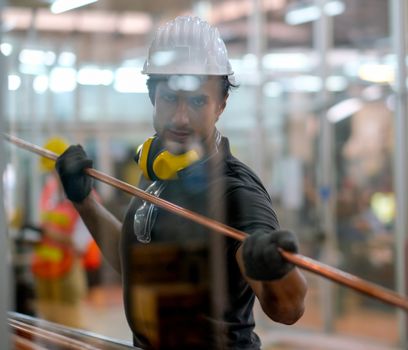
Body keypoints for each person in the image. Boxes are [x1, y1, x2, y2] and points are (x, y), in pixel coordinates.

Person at [54, 16, 307, 349]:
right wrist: (84, 201)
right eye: (170, 98)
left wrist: (276, 271)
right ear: (153, 98)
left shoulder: (236, 191)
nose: (180, 118)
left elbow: (288, 310)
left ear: (221, 105)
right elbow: (135, 263)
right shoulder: (161, 168)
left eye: (198, 101)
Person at [31, 137, 101, 328]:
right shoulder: (49, 190)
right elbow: (43, 222)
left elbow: (80, 243)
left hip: (67, 270)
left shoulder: (84, 196)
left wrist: (51, 235)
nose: (52, 176)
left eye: (54, 171)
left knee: (71, 326)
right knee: (49, 326)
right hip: (44, 269)